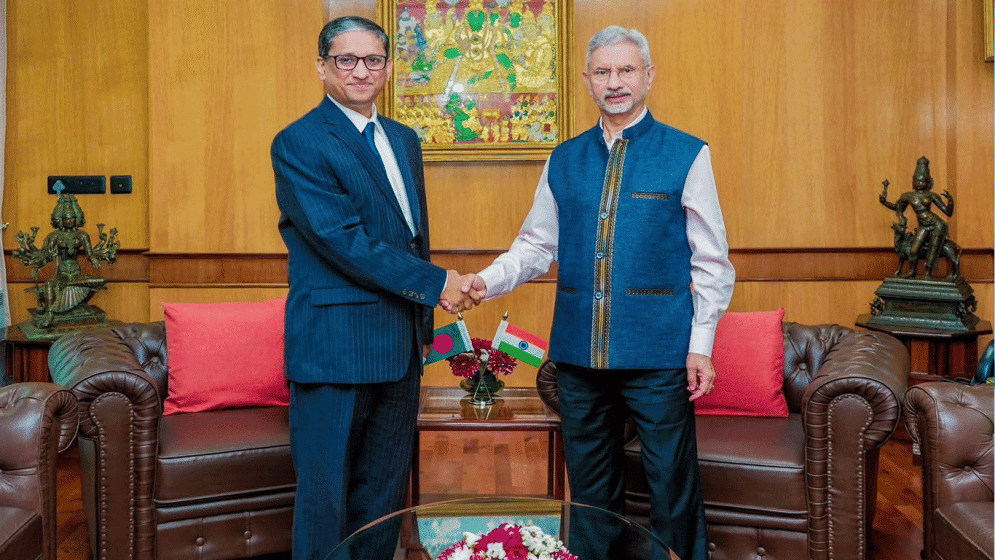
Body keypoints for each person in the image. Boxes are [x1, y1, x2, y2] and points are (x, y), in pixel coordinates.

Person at [462, 25, 735, 560]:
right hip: (578, 357)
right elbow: (536, 247)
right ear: (587, 80)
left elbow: (711, 261)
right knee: (589, 490)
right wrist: (483, 282)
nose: (616, 82)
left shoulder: (687, 153)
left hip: (658, 354)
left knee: (671, 487)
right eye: (604, 72)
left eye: (626, 70)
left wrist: (700, 344)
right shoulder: (563, 158)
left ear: (648, 76)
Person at [271, 16, 477, 559]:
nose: (361, 70)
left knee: (383, 498)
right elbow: (342, 240)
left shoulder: (404, 139)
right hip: (335, 347)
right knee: (326, 500)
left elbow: (409, 237)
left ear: (388, 67)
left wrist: (431, 300)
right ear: (322, 66)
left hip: (400, 346)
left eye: (374, 60)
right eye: (346, 59)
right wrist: (440, 284)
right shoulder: (299, 142)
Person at [879, 156, 955, 278]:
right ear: (913, 181)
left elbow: (948, 212)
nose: (919, 183)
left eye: (923, 181)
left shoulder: (932, 195)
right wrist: (885, 202)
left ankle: (928, 273)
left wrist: (950, 201)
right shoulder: (908, 196)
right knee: (914, 250)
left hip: (937, 225)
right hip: (924, 226)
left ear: (928, 182)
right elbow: (898, 208)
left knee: (934, 247)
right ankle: (912, 271)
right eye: (917, 181)